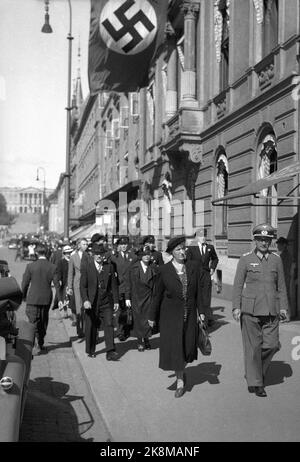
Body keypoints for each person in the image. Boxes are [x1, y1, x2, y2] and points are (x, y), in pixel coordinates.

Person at [232, 224, 289, 398]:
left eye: (267, 240)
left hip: (272, 310)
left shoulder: (276, 259)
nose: (264, 242)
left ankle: (255, 372)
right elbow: (237, 285)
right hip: (250, 311)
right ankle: (257, 382)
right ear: (255, 240)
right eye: (261, 239)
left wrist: (284, 307)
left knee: (271, 345)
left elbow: (281, 286)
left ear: (271, 241)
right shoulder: (245, 259)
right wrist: (236, 307)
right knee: (252, 348)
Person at [148, 236, 205, 398]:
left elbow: (198, 292)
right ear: (172, 252)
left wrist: (202, 312)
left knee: (188, 348)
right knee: (176, 349)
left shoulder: (193, 266)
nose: (182, 252)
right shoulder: (163, 270)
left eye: (183, 248)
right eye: (178, 249)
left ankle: (182, 370)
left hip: (190, 314)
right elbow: (157, 295)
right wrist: (151, 316)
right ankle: (180, 380)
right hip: (170, 318)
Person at [80, 243, 120, 360]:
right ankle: (91, 349)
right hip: (92, 302)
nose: (99, 256)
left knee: (109, 324)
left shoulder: (109, 267)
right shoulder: (87, 267)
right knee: (91, 326)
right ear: (93, 255)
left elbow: (114, 285)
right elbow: (83, 286)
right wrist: (86, 300)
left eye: (101, 254)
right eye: (96, 254)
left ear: (104, 255)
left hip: (106, 301)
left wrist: (116, 301)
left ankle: (110, 351)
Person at [21, 244, 58, 353]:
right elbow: (57, 285)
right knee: (43, 321)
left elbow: (25, 284)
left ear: (36, 253)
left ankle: (33, 344)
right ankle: (40, 343)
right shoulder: (52, 267)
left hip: (32, 298)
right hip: (46, 298)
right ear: (47, 253)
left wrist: (23, 296)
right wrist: (59, 300)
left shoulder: (30, 266)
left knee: (32, 321)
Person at [125, 245, 158, 351]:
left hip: (149, 297)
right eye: (144, 255)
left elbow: (157, 284)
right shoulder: (134, 267)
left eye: (148, 254)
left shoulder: (153, 267)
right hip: (136, 298)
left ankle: (147, 339)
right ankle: (139, 341)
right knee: (138, 320)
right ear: (140, 256)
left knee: (148, 319)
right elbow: (128, 283)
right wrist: (127, 297)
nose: (147, 256)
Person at [186, 228, 219, 326]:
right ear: (197, 237)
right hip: (195, 276)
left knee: (206, 297)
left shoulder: (210, 247)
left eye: (204, 236)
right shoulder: (191, 248)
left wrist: (212, 268)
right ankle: (194, 319)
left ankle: (205, 320)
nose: (203, 238)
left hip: (206, 275)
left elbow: (215, 259)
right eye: (201, 236)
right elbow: (187, 262)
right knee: (194, 297)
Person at [111, 236, 137, 341]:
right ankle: (119, 331)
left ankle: (127, 330)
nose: (123, 246)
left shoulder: (133, 257)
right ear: (118, 246)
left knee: (128, 310)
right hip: (119, 287)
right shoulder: (114, 257)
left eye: (125, 244)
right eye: (121, 244)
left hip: (130, 286)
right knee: (119, 310)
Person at [67, 238, 88, 337]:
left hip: (87, 284)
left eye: (86, 244)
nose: (86, 246)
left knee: (86, 307)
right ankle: (80, 330)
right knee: (79, 308)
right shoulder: (73, 257)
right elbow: (70, 273)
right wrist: (69, 287)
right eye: (84, 244)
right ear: (79, 245)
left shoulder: (89, 256)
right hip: (77, 284)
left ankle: (86, 328)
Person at [276, 236, 293, 321]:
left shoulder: (285, 255)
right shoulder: (283, 254)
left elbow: (285, 269)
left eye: (279, 244)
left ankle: (287, 316)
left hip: (285, 278)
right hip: (285, 278)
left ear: (284, 245)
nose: (277, 246)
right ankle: (286, 316)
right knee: (285, 296)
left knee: (285, 296)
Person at [54, 244, 73, 318]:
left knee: (71, 297)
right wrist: (59, 279)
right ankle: (65, 311)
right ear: (64, 253)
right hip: (64, 281)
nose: (68, 254)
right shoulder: (61, 262)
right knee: (64, 296)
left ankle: (72, 312)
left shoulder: (72, 261)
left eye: (69, 253)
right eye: (67, 253)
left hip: (72, 281)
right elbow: (59, 272)